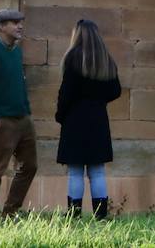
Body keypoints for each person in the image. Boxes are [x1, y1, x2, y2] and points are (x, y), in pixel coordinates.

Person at [56, 19, 122, 219]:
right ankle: (100, 216)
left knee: (75, 171)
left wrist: (60, 115)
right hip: (98, 120)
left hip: (75, 120)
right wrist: (98, 100)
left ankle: (73, 216)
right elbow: (115, 90)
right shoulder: (106, 59)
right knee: (98, 172)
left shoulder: (73, 58)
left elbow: (66, 93)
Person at [0, 8, 37, 215]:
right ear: (1, 26)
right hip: (3, 121)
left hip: (23, 119)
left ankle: (10, 211)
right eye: (14, 22)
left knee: (30, 166)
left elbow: (20, 83)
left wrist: (27, 111)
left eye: (21, 22)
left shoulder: (16, 50)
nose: (20, 26)